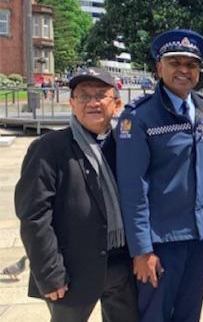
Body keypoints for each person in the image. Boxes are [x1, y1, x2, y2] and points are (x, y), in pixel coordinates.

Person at [15, 68, 137, 322]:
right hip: (70, 272)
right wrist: (49, 274)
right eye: (83, 96)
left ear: (116, 103)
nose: (92, 102)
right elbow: (34, 216)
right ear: (71, 103)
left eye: (100, 95)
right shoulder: (49, 148)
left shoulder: (126, 144)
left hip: (122, 267)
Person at [116, 29, 203, 321]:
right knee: (156, 315)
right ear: (159, 67)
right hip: (160, 241)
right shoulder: (139, 117)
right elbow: (132, 187)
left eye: (191, 64)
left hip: (199, 237)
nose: (184, 70)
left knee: (189, 314)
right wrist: (142, 250)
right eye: (175, 63)